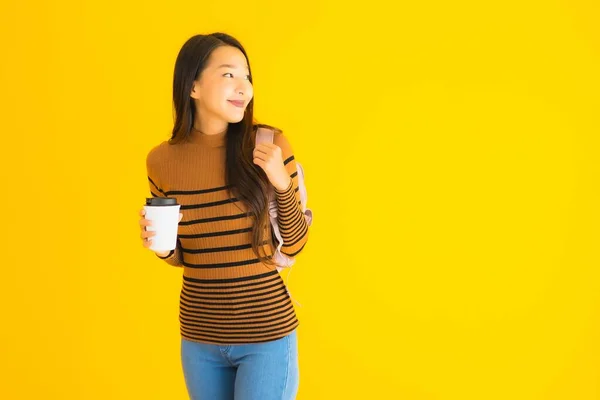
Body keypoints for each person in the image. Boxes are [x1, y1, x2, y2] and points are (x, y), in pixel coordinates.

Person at [137, 32, 309, 400]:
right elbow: (184, 255)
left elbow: (295, 242)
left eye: (247, 76)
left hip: (266, 335)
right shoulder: (161, 162)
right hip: (199, 336)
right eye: (229, 74)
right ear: (193, 86)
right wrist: (159, 246)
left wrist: (281, 183)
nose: (243, 86)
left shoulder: (269, 145)